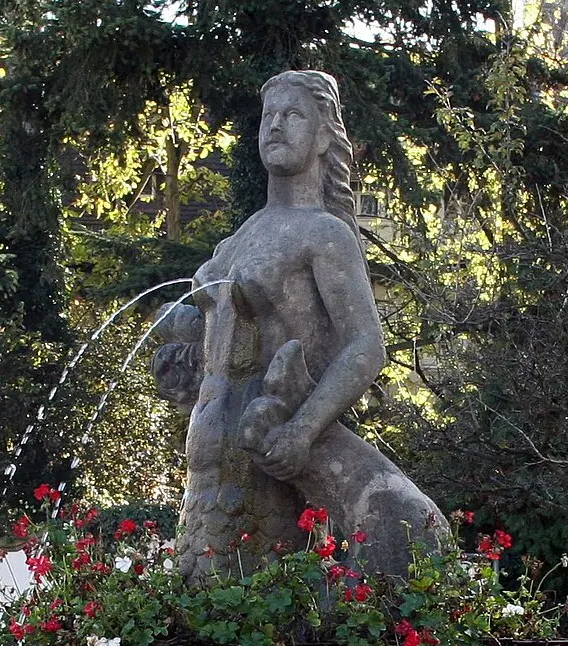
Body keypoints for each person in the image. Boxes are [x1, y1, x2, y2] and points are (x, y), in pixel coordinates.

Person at [151, 70, 449, 577]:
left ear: (324, 135)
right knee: (201, 605)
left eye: (293, 115)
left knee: (258, 614)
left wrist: (303, 430)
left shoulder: (325, 234)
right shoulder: (244, 234)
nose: (275, 126)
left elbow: (366, 345)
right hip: (209, 450)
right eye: (269, 115)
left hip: (270, 449)